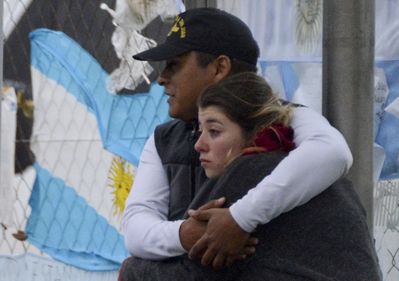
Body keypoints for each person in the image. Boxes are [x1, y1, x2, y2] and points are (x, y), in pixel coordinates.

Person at [121, 7, 353, 269]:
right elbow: (135, 227)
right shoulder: (164, 140)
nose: (161, 78)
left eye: (174, 64)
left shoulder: (282, 118)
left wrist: (239, 219)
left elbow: (334, 153)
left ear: (220, 67)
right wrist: (188, 234)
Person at [120, 72, 381, 280]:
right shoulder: (311, 171)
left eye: (214, 131)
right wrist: (185, 234)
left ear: (254, 132)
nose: (199, 144)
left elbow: (197, 275)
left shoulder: (249, 170)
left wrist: (131, 271)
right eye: (200, 131)